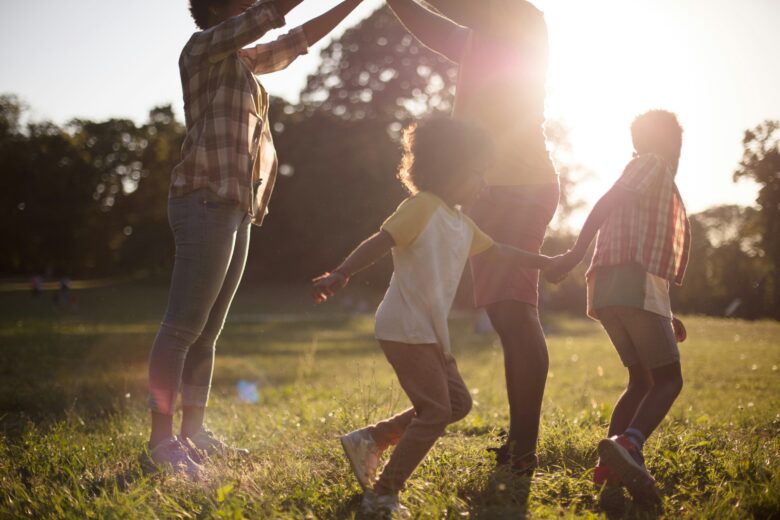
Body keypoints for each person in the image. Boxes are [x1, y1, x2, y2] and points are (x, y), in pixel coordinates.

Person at [145, 0, 365, 478]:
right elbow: (272, 13)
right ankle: (160, 441)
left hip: (236, 207)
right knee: (182, 327)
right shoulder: (201, 49)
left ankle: (193, 433)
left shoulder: (243, 63)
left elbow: (297, 40)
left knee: (207, 333)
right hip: (203, 199)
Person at [312, 119, 553, 517]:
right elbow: (381, 241)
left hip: (427, 332)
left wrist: (548, 262)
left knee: (456, 404)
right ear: (452, 169)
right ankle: (383, 495)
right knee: (436, 411)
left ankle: (371, 439)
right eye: (478, 173)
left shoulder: (461, 223)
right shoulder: (422, 208)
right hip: (405, 327)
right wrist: (341, 273)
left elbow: (502, 252)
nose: (484, 184)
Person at [385, 0, 559, 474]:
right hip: (490, 190)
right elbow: (429, 25)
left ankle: (524, 447)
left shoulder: (522, 17)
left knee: (515, 311)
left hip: (521, 186)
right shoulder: (477, 35)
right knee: (505, 313)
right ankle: (520, 443)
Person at [544, 110, 691, 508]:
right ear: (665, 145)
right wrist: (575, 250)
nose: (678, 155)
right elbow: (609, 202)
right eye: (677, 146)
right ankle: (629, 443)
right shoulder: (652, 165)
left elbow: (647, 243)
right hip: (634, 284)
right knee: (669, 380)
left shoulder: (646, 172)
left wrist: (666, 310)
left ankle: (609, 468)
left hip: (610, 290)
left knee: (640, 382)